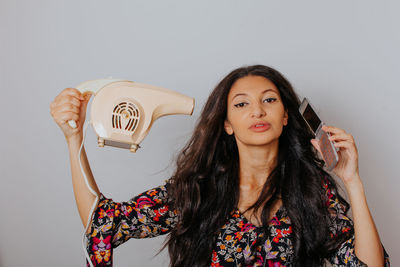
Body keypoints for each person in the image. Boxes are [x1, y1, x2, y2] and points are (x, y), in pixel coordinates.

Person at [50, 65, 390, 266]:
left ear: (285, 116)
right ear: (226, 123)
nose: (257, 111)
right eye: (241, 104)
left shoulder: (312, 191)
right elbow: (105, 222)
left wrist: (352, 180)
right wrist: (73, 137)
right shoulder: (199, 190)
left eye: (269, 100)